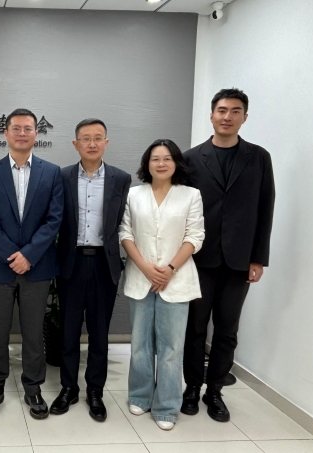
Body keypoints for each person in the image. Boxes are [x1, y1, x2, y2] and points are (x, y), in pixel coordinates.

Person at [181, 88, 275, 422]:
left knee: (227, 329)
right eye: (222, 110)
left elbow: (265, 208)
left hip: (239, 260)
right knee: (194, 328)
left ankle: (215, 391)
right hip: (199, 259)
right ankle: (192, 388)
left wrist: (258, 258)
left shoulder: (258, 157)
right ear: (211, 115)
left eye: (235, 111)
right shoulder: (191, 159)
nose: (227, 116)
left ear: (244, 117)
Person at [0, 108, 64, 420]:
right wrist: (11, 255)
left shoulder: (51, 172)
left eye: (28, 128)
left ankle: (33, 386)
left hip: (37, 266)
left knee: (33, 331)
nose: (22, 133)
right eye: (16, 128)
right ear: (6, 133)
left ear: (36, 134)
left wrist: (29, 255)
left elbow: (54, 218)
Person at [119, 139, 204, 430]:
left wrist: (169, 269)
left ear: (176, 162)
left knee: (171, 348)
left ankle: (167, 407)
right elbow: (125, 233)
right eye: (155, 158)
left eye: (167, 158)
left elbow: (195, 236)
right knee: (140, 344)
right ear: (147, 163)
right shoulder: (134, 194)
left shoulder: (190, 195)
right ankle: (140, 396)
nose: (161, 163)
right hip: (140, 277)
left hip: (175, 280)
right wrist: (145, 268)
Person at [51, 118, 131, 422]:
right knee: (69, 331)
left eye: (98, 138)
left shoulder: (121, 179)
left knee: (99, 333)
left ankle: (95, 390)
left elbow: (124, 222)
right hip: (70, 263)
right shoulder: (62, 176)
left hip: (103, 264)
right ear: (76, 144)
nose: (92, 143)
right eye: (86, 138)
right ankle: (68, 388)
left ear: (106, 143)